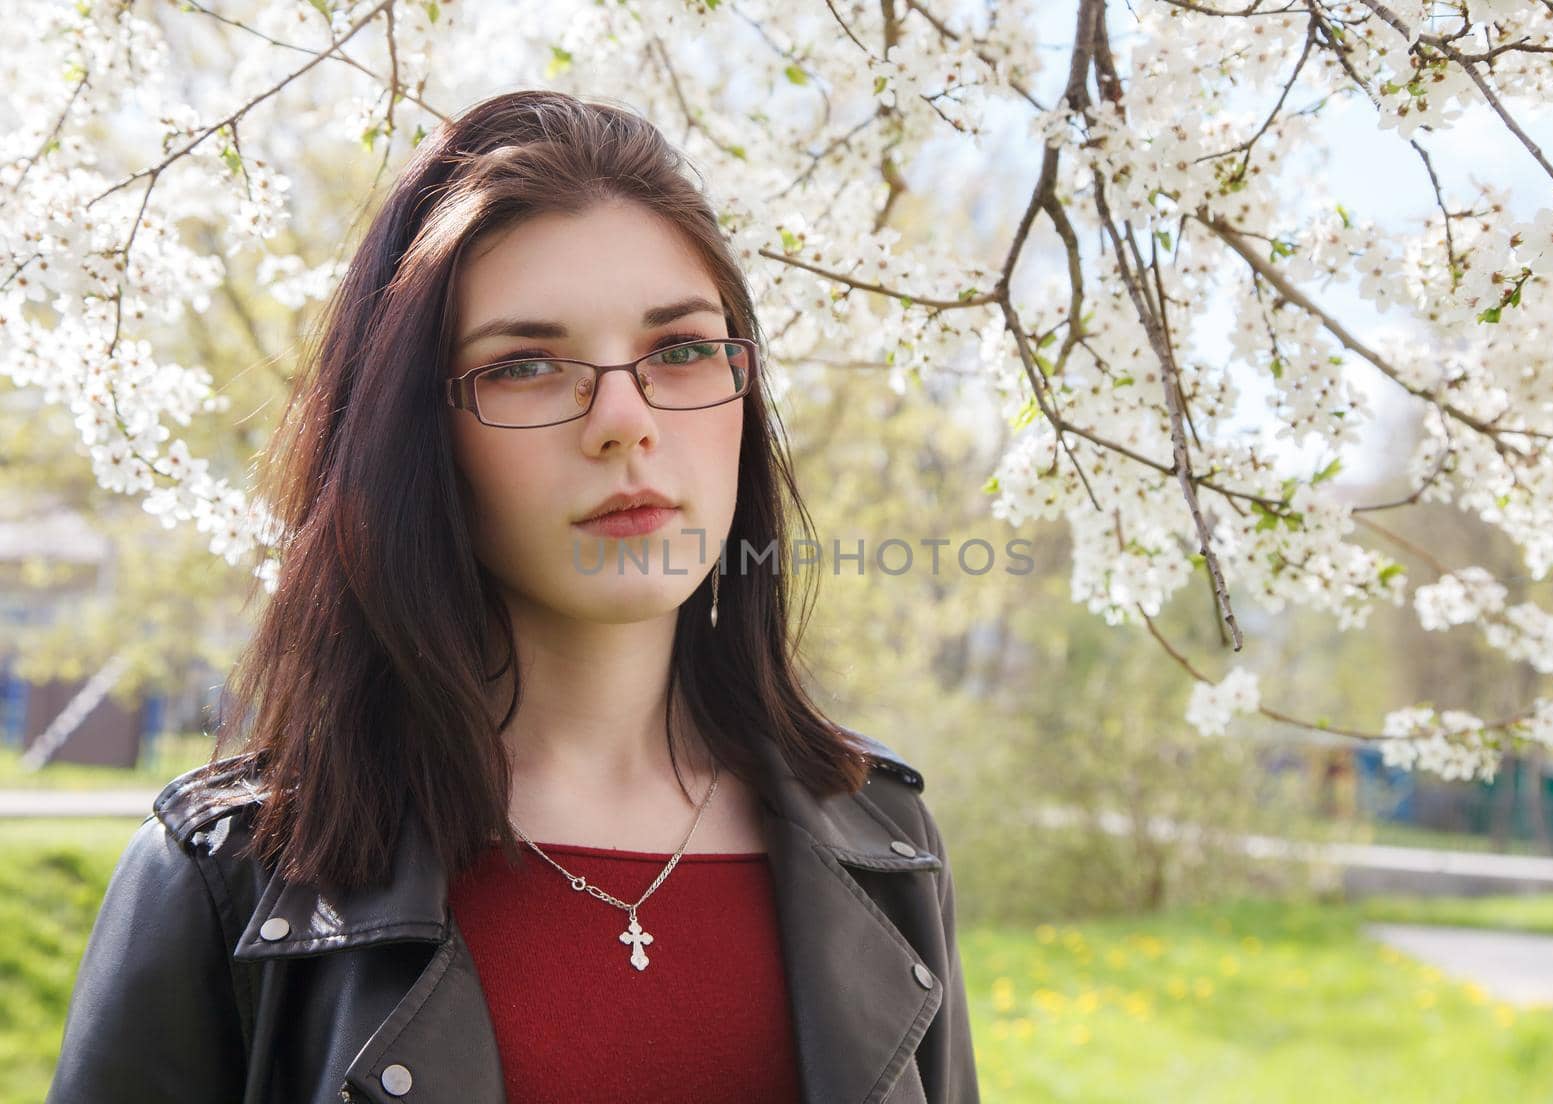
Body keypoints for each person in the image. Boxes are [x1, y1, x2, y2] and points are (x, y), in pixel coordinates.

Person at [45, 89, 979, 1104]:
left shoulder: (880, 841)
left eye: (679, 350)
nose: (624, 422)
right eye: (526, 365)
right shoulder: (231, 878)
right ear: (415, 439)